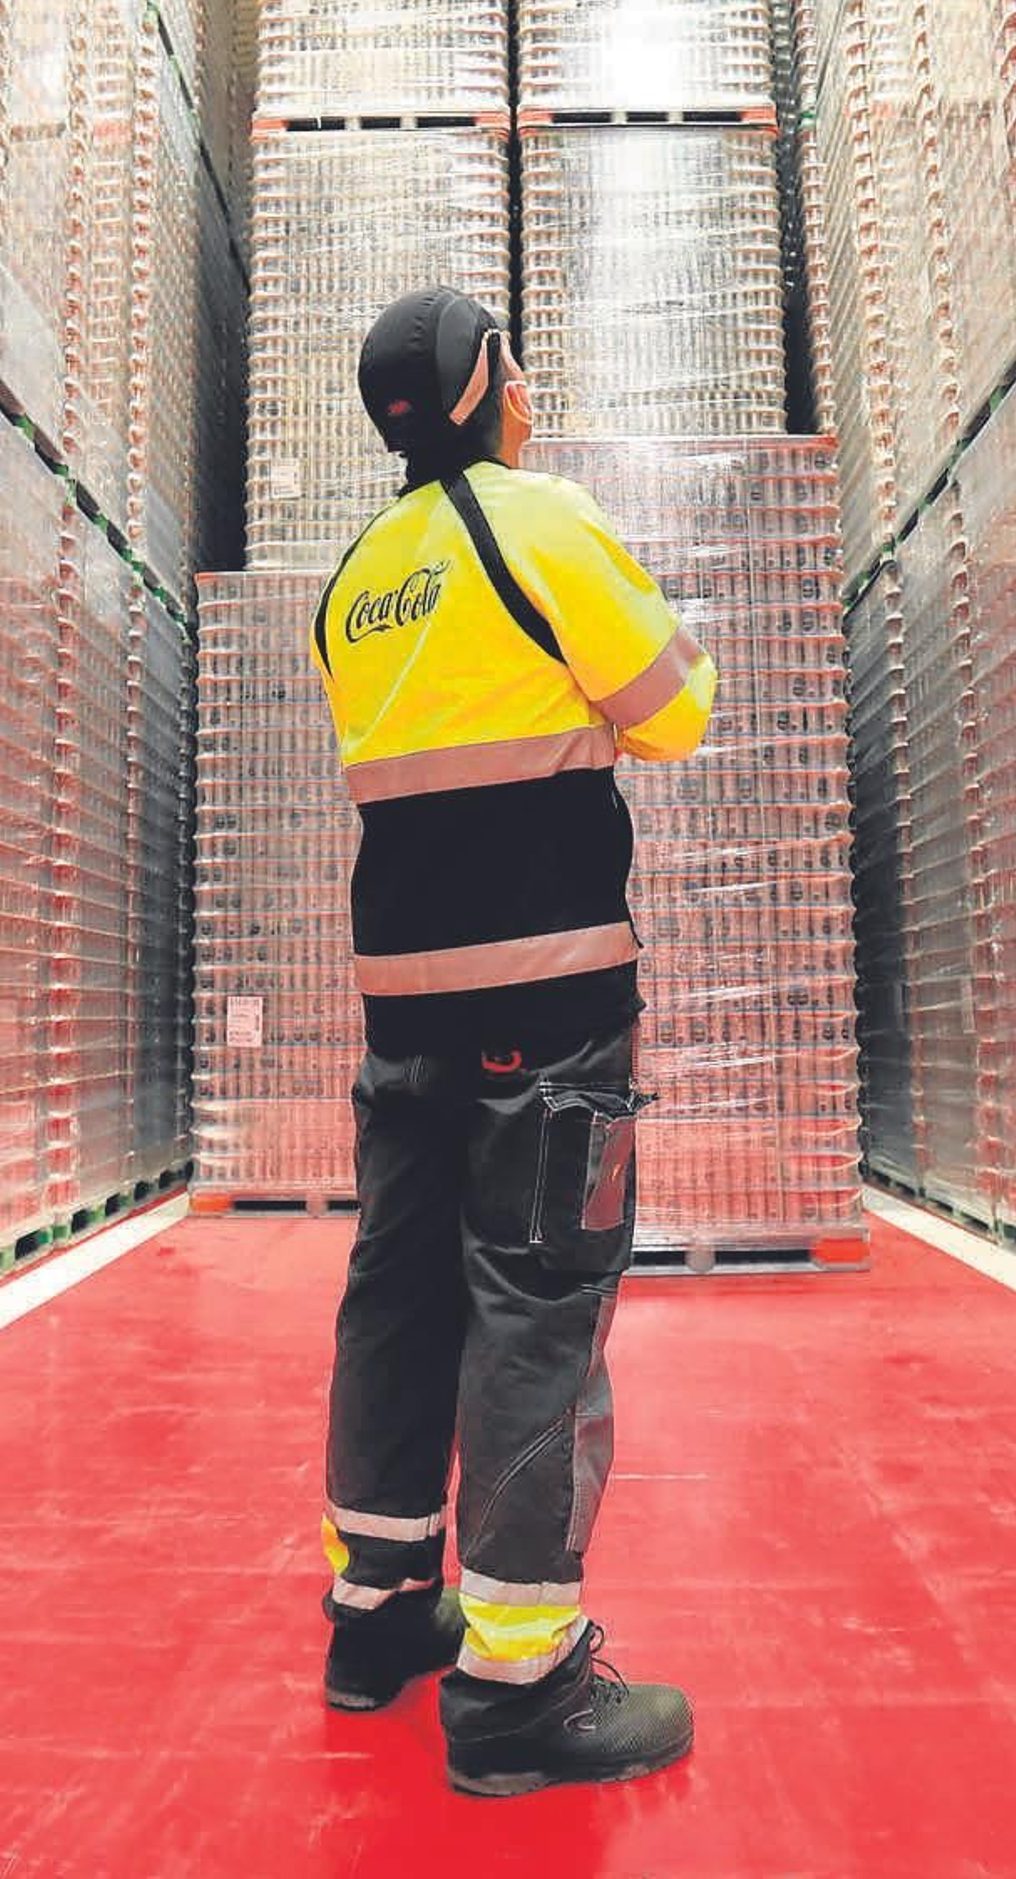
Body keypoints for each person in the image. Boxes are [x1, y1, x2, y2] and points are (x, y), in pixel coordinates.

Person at [309, 286, 718, 1797]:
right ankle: (519, 1684)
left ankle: (377, 1618)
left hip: (402, 1012)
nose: (532, 390)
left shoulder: (355, 577)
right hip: (547, 1008)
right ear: (483, 387)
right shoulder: (540, 524)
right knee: (538, 1304)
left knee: (398, 1294)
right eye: (516, 367)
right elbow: (676, 710)